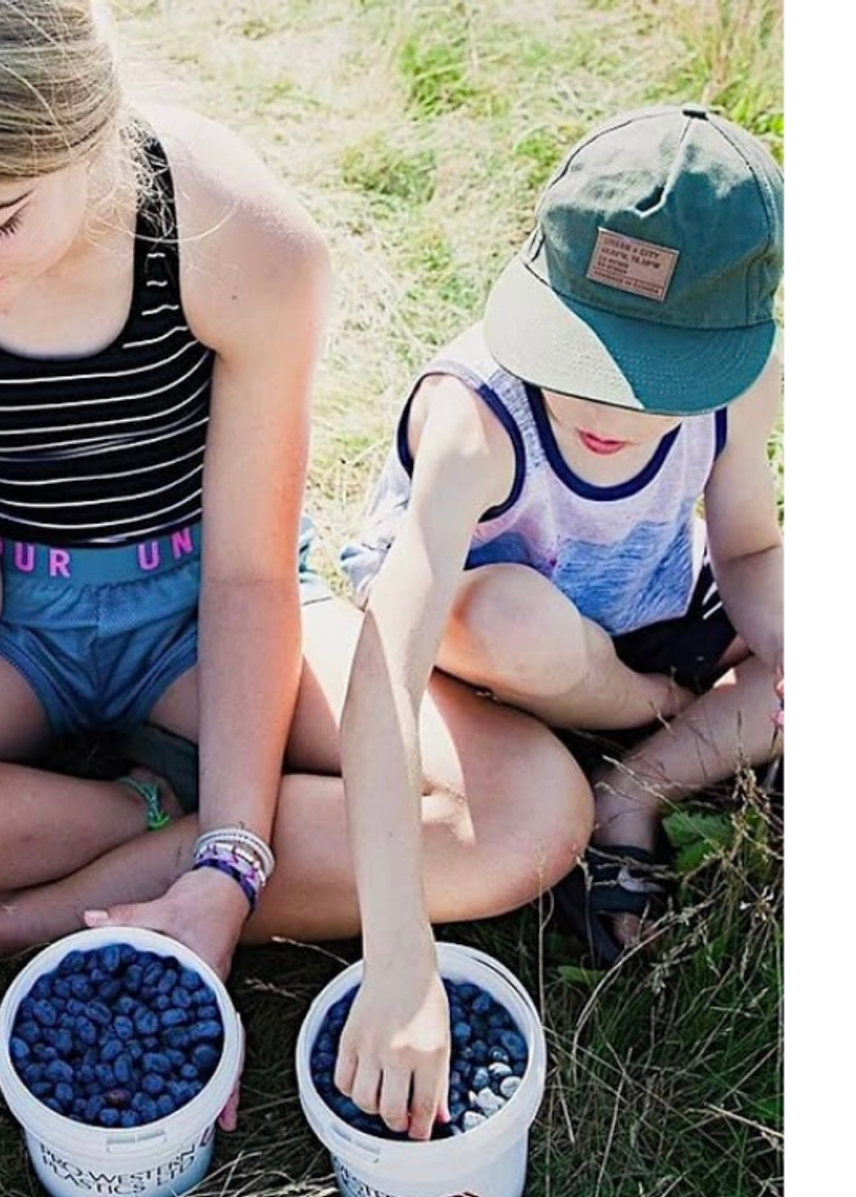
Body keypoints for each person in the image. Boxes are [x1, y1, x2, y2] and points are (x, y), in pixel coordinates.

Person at [0, 0, 591, 1131]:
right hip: (1, 623)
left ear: (89, 137)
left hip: (204, 605)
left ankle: (50, 898)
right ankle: (136, 820)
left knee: (528, 809)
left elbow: (247, 578)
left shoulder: (242, 241)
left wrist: (231, 862)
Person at [332, 104, 785, 1136]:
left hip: (648, 606)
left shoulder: (744, 388)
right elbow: (385, 668)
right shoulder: (476, 422)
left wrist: (791, 648)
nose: (604, 404)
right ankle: (665, 712)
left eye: (653, 382)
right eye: (575, 345)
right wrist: (398, 955)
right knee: (522, 622)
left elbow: (749, 547)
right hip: (489, 639)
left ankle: (635, 783)